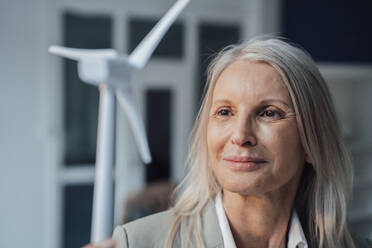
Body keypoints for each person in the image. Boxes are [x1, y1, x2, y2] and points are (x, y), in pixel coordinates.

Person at [84, 37, 372, 248]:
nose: (240, 135)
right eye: (225, 112)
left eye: (269, 113)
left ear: (312, 141)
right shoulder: (138, 243)